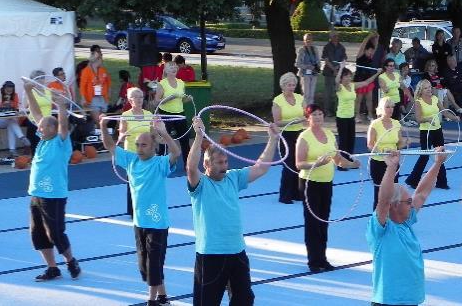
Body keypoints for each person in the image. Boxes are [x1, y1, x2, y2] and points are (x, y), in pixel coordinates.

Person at [186, 117, 279, 305]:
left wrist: (273, 140)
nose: (224, 166)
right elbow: (190, 167)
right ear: (207, 165)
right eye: (219, 163)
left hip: (237, 252)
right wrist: (198, 136)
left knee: (244, 300)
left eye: (226, 161)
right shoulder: (201, 184)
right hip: (210, 255)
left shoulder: (233, 178)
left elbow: (260, 168)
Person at [100, 115, 180, 306]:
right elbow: (110, 146)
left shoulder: (160, 164)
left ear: (154, 147)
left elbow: (176, 152)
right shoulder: (131, 160)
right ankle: (163, 297)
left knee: (153, 264)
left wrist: (163, 133)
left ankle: (151, 300)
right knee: (145, 267)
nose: (139, 148)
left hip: (158, 224)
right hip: (139, 222)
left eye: (144, 145)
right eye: (137, 144)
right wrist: (103, 126)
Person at [367, 149, 448, 306]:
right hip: (388, 302)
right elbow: (383, 200)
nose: (413, 204)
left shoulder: (406, 221)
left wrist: (438, 162)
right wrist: (391, 167)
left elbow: (422, 193)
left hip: (411, 300)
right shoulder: (381, 229)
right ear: (394, 205)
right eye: (408, 202)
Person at [23, 81, 81, 282]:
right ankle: (52, 268)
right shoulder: (42, 140)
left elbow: (63, 124)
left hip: (54, 195)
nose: (38, 127)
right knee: (37, 234)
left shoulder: (61, 142)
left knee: (55, 233)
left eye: (43, 125)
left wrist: (61, 106)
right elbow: (35, 112)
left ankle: (71, 260)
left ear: (52, 128)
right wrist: (28, 90)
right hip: (36, 194)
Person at [295, 104, 360, 272]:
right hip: (310, 184)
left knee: (324, 221)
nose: (317, 117)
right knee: (312, 222)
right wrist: (317, 163)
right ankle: (313, 261)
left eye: (320, 114)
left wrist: (352, 164)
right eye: (314, 115)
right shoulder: (304, 137)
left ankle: (322, 258)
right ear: (308, 118)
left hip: (326, 183)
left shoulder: (330, 134)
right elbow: (299, 163)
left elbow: (337, 159)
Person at [404, 80, 458, 189]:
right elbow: (418, 119)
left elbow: (444, 112)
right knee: (425, 156)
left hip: (437, 130)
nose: (429, 89)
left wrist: (454, 117)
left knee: (441, 155)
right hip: (426, 132)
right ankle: (413, 180)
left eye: (429, 87)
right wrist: (428, 119)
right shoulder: (418, 102)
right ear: (421, 90)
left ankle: (442, 182)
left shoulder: (435, 99)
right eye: (426, 88)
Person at [335, 63, 381, 165]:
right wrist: (342, 67)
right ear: (342, 78)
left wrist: (377, 73)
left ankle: (350, 159)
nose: (348, 78)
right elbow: (336, 81)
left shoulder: (352, 85)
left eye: (349, 76)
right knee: (343, 141)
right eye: (345, 76)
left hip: (351, 117)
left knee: (351, 140)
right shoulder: (339, 87)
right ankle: (342, 163)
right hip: (342, 118)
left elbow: (366, 82)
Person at [272, 72, 307, 204]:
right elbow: (277, 121)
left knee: (298, 164)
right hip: (285, 135)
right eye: (289, 85)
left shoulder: (299, 98)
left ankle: (297, 193)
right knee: (288, 164)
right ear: (283, 85)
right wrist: (293, 121)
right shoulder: (278, 101)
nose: (291, 87)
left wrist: (305, 119)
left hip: (299, 134)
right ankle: (285, 195)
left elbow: (306, 114)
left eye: (293, 85)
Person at [119, 87, 154, 216]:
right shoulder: (125, 116)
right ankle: (132, 210)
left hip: (147, 154)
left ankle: (146, 207)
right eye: (135, 97)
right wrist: (121, 136)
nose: (139, 99)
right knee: (133, 183)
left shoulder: (149, 115)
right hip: (132, 153)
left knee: (148, 182)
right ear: (130, 100)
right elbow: (121, 133)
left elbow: (153, 133)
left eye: (141, 96)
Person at [367, 97, 407, 209]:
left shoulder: (396, 124)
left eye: (392, 107)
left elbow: (399, 143)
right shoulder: (375, 124)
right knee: (379, 194)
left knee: (393, 193)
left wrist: (404, 144)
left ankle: (392, 219)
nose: (390, 109)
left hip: (393, 163)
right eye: (387, 107)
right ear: (381, 109)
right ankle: (377, 220)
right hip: (378, 163)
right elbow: (370, 145)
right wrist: (382, 152)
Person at [155, 62, 192, 162]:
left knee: (184, 140)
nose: (174, 68)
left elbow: (181, 100)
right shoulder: (162, 83)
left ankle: (187, 165)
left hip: (180, 113)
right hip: (165, 114)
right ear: (166, 71)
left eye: (175, 67)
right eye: (170, 67)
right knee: (164, 141)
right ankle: (160, 163)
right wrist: (169, 98)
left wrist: (187, 99)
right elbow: (157, 101)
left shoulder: (181, 83)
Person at [25, 70, 54, 155]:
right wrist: (28, 91)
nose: (41, 80)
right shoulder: (30, 92)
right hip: (35, 123)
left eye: (42, 77)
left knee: (48, 147)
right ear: (33, 80)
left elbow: (62, 100)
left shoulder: (49, 91)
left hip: (48, 123)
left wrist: (64, 92)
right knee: (36, 147)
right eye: (38, 78)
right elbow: (25, 105)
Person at [0, 81, 30, 157]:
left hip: (9, 120)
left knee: (11, 123)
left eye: (11, 89)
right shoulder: (0, 95)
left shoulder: (15, 95)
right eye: (8, 89)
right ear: (4, 88)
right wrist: (3, 103)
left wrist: (10, 102)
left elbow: (15, 108)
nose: (9, 90)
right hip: (0, 120)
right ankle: (22, 138)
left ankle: (12, 150)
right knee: (12, 121)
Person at [79, 53, 111, 124]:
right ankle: (99, 132)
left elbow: (108, 82)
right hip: (93, 99)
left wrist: (108, 93)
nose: (102, 61)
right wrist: (83, 98)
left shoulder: (103, 70)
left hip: (103, 98)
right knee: (97, 120)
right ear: (97, 60)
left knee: (104, 120)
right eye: (101, 59)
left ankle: (101, 132)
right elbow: (82, 86)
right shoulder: (86, 71)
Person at [321, 32, 347, 117]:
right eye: (334, 36)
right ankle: (327, 110)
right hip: (329, 72)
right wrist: (333, 68)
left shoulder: (341, 47)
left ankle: (336, 110)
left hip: (338, 73)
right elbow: (326, 59)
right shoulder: (327, 47)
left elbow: (344, 59)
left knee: (337, 92)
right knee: (328, 92)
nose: (336, 37)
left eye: (337, 36)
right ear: (330, 37)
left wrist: (338, 68)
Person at [355, 34, 379, 122]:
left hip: (368, 80)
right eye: (369, 51)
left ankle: (370, 115)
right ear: (365, 50)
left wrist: (376, 38)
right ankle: (357, 116)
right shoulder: (360, 55)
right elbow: (363, 44)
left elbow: (375, 47)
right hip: (359, 80)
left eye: (372, 51)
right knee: (359, 99)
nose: (371, 53)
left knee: (369, 99)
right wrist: (369, 36)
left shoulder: (371, 57)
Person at [295, 33, 321, 105]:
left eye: (310, 39)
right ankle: (305, 110)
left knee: (312, 94)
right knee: (306, 94)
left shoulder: (315, 49)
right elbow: (297, 64)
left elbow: (318, 61)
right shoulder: (301, 50)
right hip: (305, 74)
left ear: (312, 40)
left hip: (314, 73)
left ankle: (311, 111)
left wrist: (318, 67)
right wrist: (308, 66)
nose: (308, 41)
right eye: (306, 40)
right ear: (304, 41)